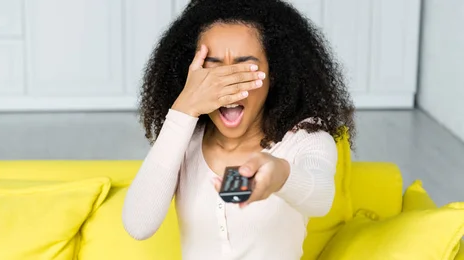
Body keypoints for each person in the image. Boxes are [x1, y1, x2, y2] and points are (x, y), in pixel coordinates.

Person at [122, 0, 355, 259]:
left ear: (274, 72)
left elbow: (321, 199)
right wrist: (183, 109)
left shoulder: (305, 138)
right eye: (213, 66)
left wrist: (281, 175)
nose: (228, 84)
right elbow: (138, 224)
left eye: (246, 67)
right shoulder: (183, 139)